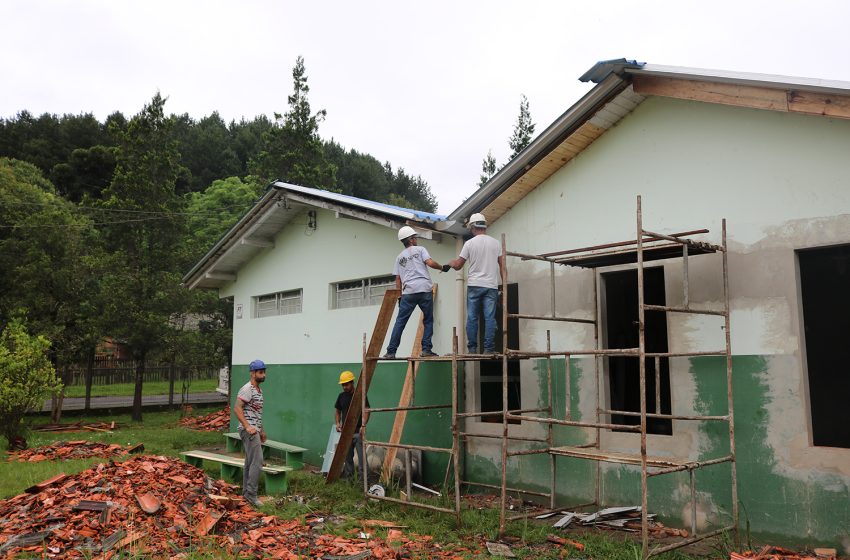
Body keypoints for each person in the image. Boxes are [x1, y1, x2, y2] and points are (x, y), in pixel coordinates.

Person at [444, 213, 505, 354]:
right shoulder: (496, 243)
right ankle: (489, 349)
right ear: (484, 225)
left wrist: (451, 263)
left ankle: (472, 348)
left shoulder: (469, 244)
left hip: (475, 285)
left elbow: (459, 265)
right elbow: (502, 266)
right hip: (491, 286)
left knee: (472, 317)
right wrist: (504, 286)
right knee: (490, 317)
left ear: (472, 227)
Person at [383, 225, 445, 359]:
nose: (416, 239)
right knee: (428, 320)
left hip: (408, 292)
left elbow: (398, 279)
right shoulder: (421, 249)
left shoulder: (399, 257)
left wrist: (400, 296)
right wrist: (442, 267)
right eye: (415, 237)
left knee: (400, 322)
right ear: (410, 239)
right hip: (424, 290)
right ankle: (426, 349)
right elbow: (430, 263)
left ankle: (391, 352)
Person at [234, 359, 267, 507]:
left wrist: (262, 430)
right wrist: (247, 426)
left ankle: (246, 493)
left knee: (250, 462)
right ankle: (252, 495)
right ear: (253, 373)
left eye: (264, 372)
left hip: (255, 430)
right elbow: (237, 408)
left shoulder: (259, 391)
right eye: (260, 372)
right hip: (248, 431)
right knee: (258, 461)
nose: (263, 374)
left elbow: (256, 413)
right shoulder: (247, 389)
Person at [334, 370, 370, 480]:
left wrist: (363, 425)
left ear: (352, 382)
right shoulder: (341, 396)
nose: (345, 387)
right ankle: (349, 480)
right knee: (347, 458)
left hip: (358, 432)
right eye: (343, 385)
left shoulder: (359, 395)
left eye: (347, 384)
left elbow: (367, 410)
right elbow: (337, 411)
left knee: (362, 459)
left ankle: (363, 481)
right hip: (346, 433)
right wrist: (337, 423)